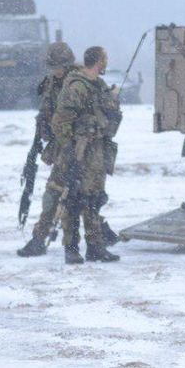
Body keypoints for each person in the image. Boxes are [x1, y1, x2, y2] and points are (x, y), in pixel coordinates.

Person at [53, 46, 121, 264]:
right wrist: (70, 149)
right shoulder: (77, 86)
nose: (107, 62)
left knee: (94, 198)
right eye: (105, 58)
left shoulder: (98, 85)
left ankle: (95, 246)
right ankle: (71, 248)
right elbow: (61, 121)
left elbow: (106, 114)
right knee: (73, 198)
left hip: (97, 149)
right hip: (79, 150)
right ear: (99, 61)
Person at [16, 42, 77, 257]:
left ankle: (39, 239)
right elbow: (46, 112)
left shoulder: (78, 84)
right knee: (75, 194)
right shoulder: (53, 82)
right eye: (51, 66)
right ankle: (101, 234)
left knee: (57, 192)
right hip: (60, 145)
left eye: (58, 66)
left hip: (77, 148)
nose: (54, 70)